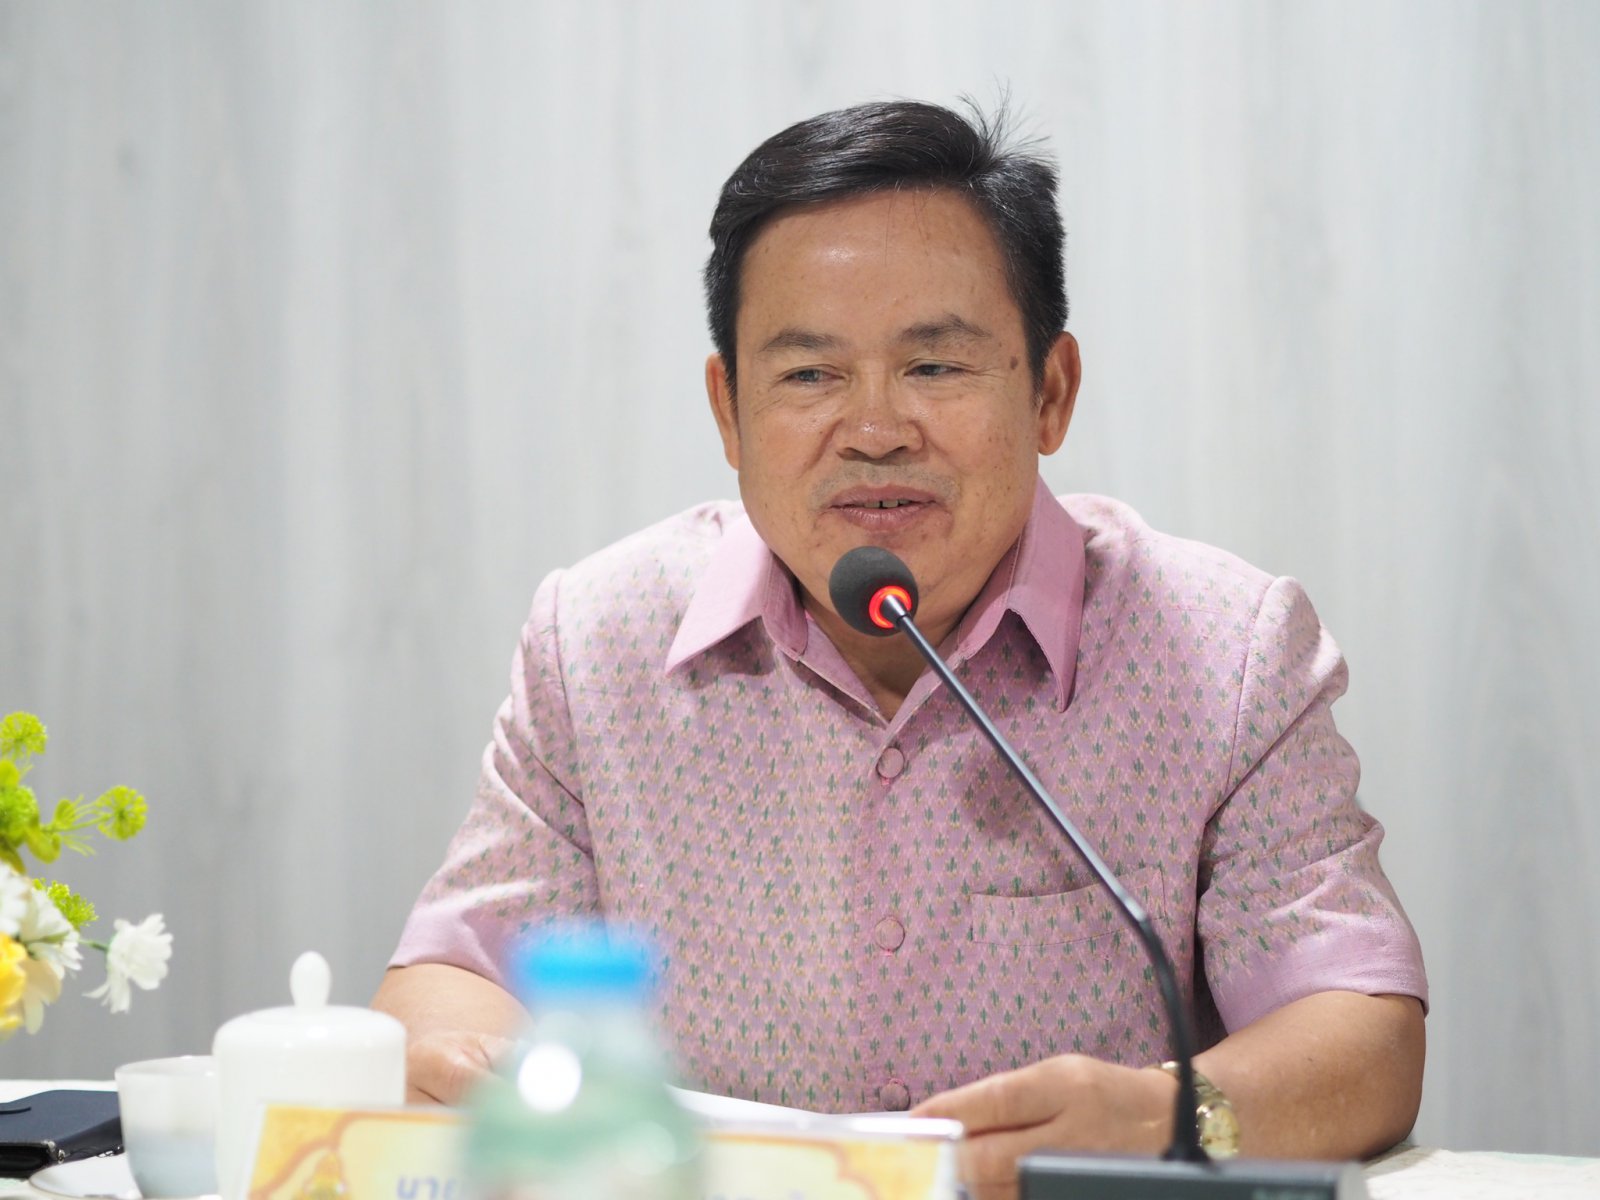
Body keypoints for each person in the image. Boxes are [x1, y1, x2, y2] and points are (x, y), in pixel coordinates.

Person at [373, 99, 1427, 1196]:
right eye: (809, 375)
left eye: (934, 367)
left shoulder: (1228, 650)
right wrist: (468, 1070)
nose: (875, 431)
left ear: (1050, 391)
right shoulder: (597, 642)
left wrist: (1172, 1118)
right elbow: (455, 976)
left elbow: (1359, 1032)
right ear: (729, 410)